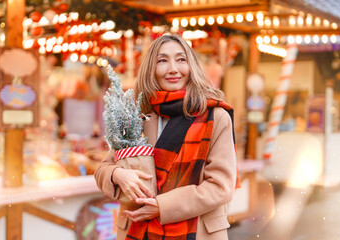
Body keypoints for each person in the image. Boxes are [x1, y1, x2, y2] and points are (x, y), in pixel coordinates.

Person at [94, 34, 238, 240]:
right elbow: (102, 170)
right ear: (151, 69)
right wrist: (118, 175)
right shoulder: (139, 114)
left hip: (196, 232)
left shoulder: (216, 117)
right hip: (139, 230)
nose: (173, 69)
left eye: (181, 59)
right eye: (162, 60)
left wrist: (161, 206)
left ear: (192, 67)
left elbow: (220, 187)